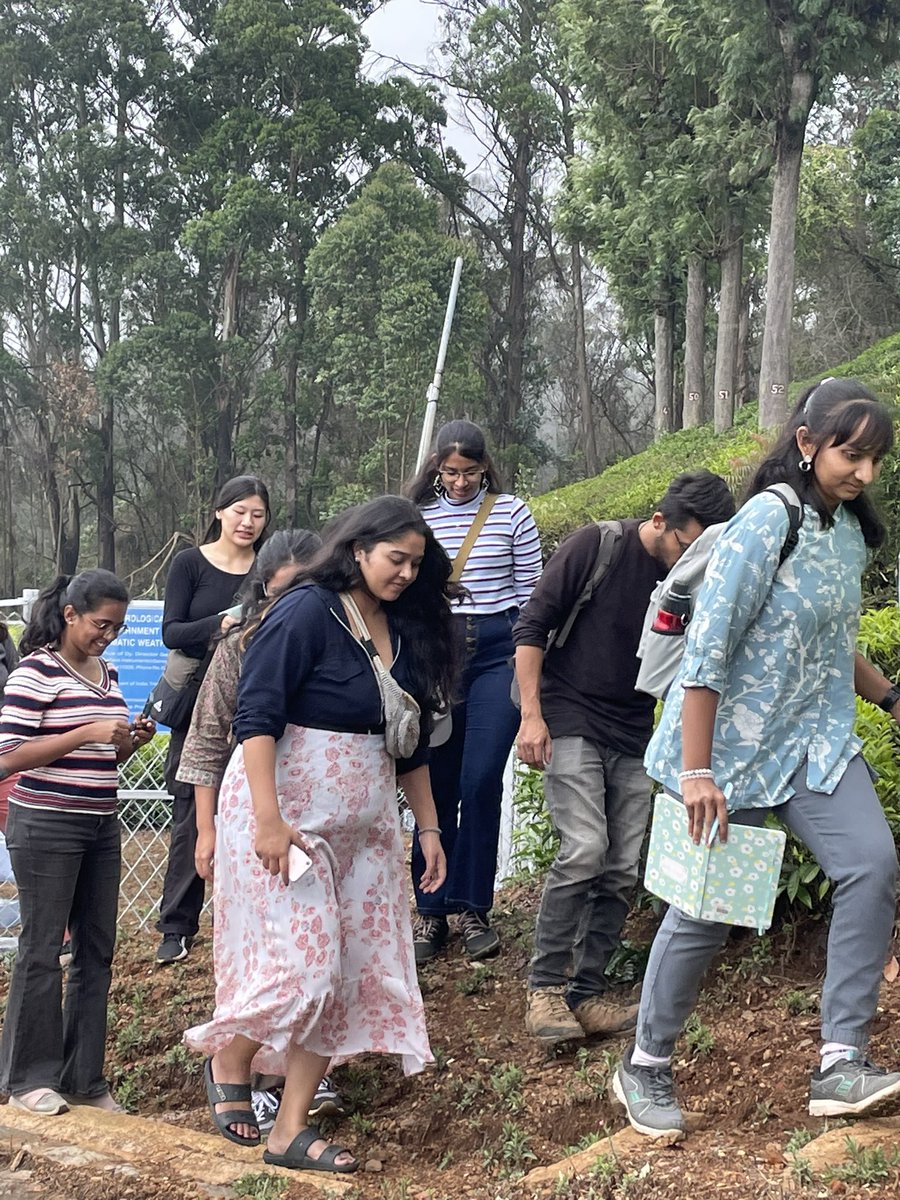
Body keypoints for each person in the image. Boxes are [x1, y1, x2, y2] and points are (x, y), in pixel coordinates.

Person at [614, 378, 900, 1141]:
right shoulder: (764, 522)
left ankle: (842, 1060)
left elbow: (828, 641)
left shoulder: (843, 535)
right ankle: (645, 1064)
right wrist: (699, 772)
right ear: (807, 443)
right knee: (708, 911)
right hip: (731, 751)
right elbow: (707, 649)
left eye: (875, 459)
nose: (864, 473)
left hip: (813, 742)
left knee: (871, 863)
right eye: (851, 454)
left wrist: (890, 696)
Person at [184, 495, 460, 1174]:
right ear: (359, 550)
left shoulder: (407, 627)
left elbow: (411, 742)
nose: (405, 573)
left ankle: (290, 1131)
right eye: (396, 558)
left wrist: (426, 828)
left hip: (366, 829)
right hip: (290, 821)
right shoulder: (307, 610)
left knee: (340, 976)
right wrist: (271, 821)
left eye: (416, 563)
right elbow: (255, 714)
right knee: (302, 967)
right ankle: (233, 1056)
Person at [513, 472, 736, 1043]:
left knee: (620, 865)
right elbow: (532, 626)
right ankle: (544, 989)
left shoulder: (695, 579)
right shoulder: (598, 545)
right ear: (660, 522)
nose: (695, 559)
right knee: (585, 848)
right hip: (570, 713)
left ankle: (586, 995)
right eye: (689, 545)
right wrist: (532, 716)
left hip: (634, 725)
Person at [175, 528, 346, 1129]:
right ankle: (236, 1067)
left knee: (320, 948)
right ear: (262, 589)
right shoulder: (240, 644)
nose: (295, 605)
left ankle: (288, 1078)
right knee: (266, 950)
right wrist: (206, 832)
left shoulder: (345, 638)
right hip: (254, 817)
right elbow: (203, 743)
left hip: (323, 820)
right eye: (283, 592)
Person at [0, 570, 155, 1115]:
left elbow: (105, 759)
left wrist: (127, 744)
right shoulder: (34, 672)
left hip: (100, 823)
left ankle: (84, 1079)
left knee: (96, 949)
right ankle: (26, 1081)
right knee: (42, 950)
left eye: (116, 627)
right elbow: (6, 758)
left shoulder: (107, 673)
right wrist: (84, 732)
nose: (107, 636)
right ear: (70, 615)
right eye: (99, 624)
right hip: (46, 824)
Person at [405, 420, 542, 962]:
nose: (460, 482)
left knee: (481, 778)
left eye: (470, 472)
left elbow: (532, 594)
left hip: (495, 653)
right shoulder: (419, 516)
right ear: (436, 468)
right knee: (435, 784)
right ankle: (430, 911)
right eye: (450, 472)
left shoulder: (512, 513)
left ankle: (472, 906)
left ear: (486, 466)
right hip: (439, 657)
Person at [155, 475, 271, 964]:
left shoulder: (269, 566)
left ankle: (249, 917)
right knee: (191, 809)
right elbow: (171, 632)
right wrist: (219, 624)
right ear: (220, 511)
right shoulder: (190, 563)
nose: (248, 522)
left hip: (255, 701)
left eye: (258, 514)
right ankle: (176, 926)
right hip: (197, 698)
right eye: (239, 511)